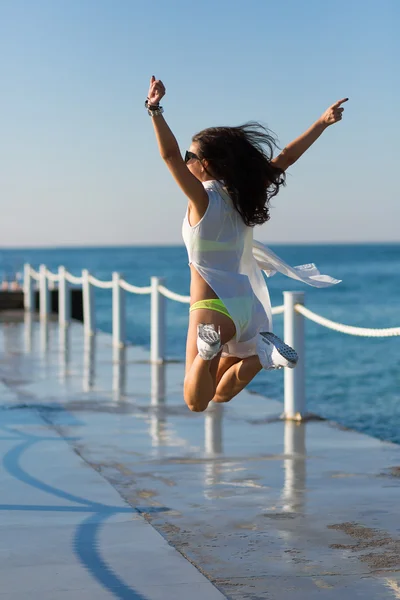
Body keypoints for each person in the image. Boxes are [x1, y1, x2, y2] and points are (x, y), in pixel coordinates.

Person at [146, 76, 346, 413]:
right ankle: (261, 357)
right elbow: (286, 157)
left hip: (211, 307)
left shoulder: (202, 199)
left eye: (189, 155)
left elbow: (167, 156)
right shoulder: (244, 194)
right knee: (219, 395)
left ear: (205, 163)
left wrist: (154, 110)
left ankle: (213, 352)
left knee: (196, 401)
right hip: (246, 307)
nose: (185, 161)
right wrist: (321, 123)